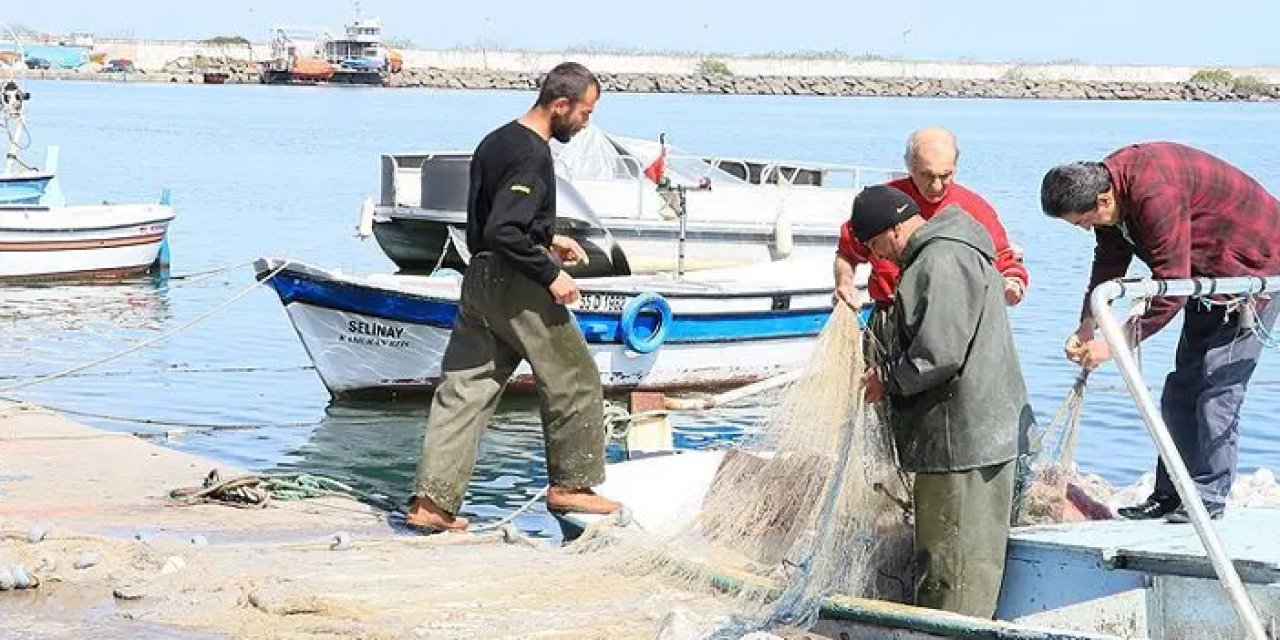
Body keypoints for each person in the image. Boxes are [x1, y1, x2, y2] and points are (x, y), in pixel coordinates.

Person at [405, 62, 621, 532]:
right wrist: (550, 273)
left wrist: (548, 238)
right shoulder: (531, 154)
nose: (585, 124)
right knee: (574, 377)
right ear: (559, 105)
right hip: (516, 283)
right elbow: (506, 227)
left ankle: (431, 505)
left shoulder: (495, 140)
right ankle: (572, 485)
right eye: (584, 113)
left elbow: (492, 224)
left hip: (479, 278)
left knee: (465, 389)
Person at [1041, 142, 1280, 523]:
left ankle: (1206, 499)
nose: (1084, 229)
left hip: (1251, 269)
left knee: (1218, 388)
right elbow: (1109, 260)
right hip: (1204, 275)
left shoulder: (1154, 194)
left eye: (1082, 222)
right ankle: (1170, 495)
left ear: (1103, 201)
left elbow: (1171, 287)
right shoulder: (1110, 190)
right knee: (1181, 388)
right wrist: (1087, 322)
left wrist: (1115, 345)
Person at [855, 184, 1035, 618]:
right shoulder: (957, 246)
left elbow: (938, 355)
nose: (881, 257)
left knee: (950, 567)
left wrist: (886, 380)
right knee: (970, 561)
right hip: (981, 434)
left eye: (877, 246)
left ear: (894, 229)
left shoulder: (938, 260)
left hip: (962, 442)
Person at [833, 127, 1030, 312]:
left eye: (945, 176)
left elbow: (1007, 264)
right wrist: (844, 283)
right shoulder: (881, 205)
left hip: (952, 316)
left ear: (955, 168)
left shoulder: (976, 210)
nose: (936, 186)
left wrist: (1012, 286)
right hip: (891, 313)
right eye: (927, 175)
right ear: (910, 168)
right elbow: (847, 254)